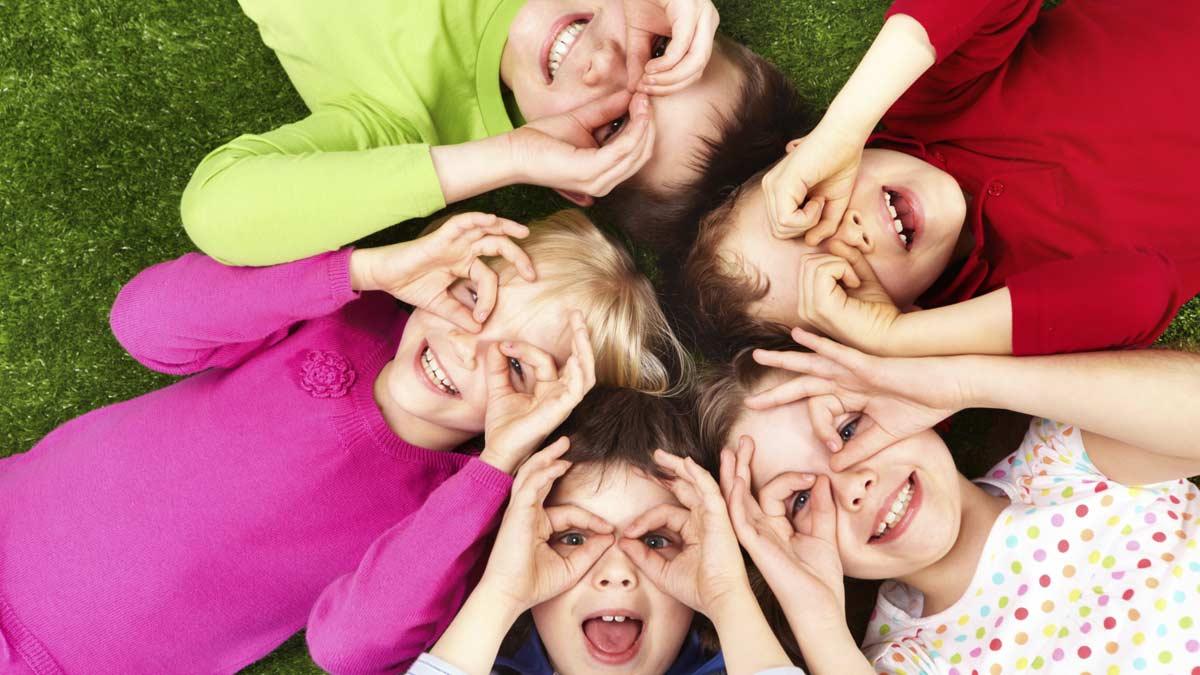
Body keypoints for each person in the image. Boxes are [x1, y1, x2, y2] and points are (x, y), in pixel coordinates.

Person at [0, 210, 685, 674]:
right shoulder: (339, 311)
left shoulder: (450, 511)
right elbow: (143, 323)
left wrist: (500, 461)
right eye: (474, 300)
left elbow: (348, 647)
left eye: (514, 367)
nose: (467, 348)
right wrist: (363, 270)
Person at [684, 0, 1200, 358]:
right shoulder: (1001, 316)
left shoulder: (929, 105)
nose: (852, 236)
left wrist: (844, 125)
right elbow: (1146, 290)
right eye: (842, 282)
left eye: (812, 211)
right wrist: (900, 338)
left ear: (802, 159)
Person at [698, 327, 1200, 672]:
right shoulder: (901, 659)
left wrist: (963, 383)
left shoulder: (1060, 461)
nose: (853, 485)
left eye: (849, 427)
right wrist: (818, 620)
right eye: (802, 500)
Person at [180, 0, 809, 264]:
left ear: (569, 174)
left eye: (612, 123)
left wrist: (500, 160)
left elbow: (219, 211)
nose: (606, 64)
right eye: (661, 50)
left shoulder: (402, 124)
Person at [406, 388, 804, 675]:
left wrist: (727, 597)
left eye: (655, 540)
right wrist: (499, 593)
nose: (616, 572)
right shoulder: (478, 657)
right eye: (574, 538)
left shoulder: (743, 659)